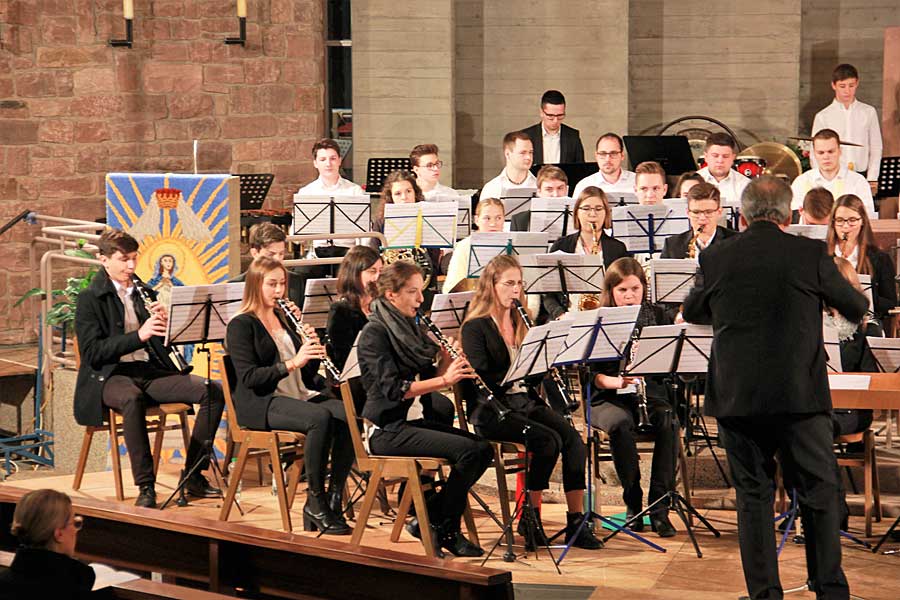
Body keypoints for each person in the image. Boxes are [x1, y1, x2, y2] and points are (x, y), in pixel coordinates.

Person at [683, 175, 867, 599]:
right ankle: (829, 589)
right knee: (819, 492)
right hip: (799, 396)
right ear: (787, 215)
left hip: (738, 397)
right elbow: (855, 304)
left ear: (743, 216)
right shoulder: (809, 253)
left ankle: (765, 594)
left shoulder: (717, 256)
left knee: (753, 496)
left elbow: (693, 310)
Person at [460, 254, 602, 550]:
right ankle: (530, 516)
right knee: (547, 441)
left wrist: (543, 362)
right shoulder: (476, 327)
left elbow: (530, 379)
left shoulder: (522, 321)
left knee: (573, 441)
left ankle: (576, 522)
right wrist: (519, 367)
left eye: (520, 284)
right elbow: (480, 376)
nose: (516, 290)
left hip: (524, 402)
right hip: (492, 409)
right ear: (491, 285)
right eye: (509, 283)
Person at [74, 229, 224, 509]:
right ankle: (146, 486)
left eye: (134, 258)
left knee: (212, 390)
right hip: (110, 376)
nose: (131, 266)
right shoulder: (90, 298)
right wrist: (139, 335)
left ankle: (193, 474)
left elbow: (157, 344)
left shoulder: (144, 292)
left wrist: (166, 327)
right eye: (123, 259)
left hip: (147, 370)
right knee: (132, 398)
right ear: (104, 260)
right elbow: (93, 352)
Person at [357, 260, 494, 557]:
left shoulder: (409, 328)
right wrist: (445, 379)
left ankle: (430, 519)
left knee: (482, 448)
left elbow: (428, 376)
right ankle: (445, 527)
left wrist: (447, 360)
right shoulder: (374, 333)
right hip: (387, 429)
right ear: (391, 295)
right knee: (469, 452)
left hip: (412, 422)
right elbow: (394, 390)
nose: (421, 299)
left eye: (421, 291)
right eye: (413, 292)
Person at [225, 257, 354, 535]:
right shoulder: (241, 324)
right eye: (271, 284)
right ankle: (315, 501)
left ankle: (334, 496)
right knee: (319, 418)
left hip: (297, 394)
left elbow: (306, 375)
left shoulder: (285, 319)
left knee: (347, 414)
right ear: (255, 285)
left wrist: (311, 348)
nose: (279, 290)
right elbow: (249, 378)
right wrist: (293, 362)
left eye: (282, 284)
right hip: (262, 401)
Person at [587, 257, 678, 538]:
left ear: (644, 289)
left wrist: (651, 364)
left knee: (669, 420)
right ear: (611, 291)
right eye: (622, 290)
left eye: (635, 289)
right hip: (606, 397)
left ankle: (660, 507)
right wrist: (617, 380)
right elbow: (591, 375)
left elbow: (669, 365)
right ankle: (633, 501)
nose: (629, 296)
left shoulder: (657, 316)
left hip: (646, 393)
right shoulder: (598, 320)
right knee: (619, 424)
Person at [0, 490, 108, 600]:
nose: (76, 530)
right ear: (59, 534)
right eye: (75, 523)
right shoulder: (75, 588)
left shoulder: (4, 583)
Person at [542, 187, 628, 320]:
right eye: (586, 208)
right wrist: (560, 314)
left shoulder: (618, 248)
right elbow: (548, 294)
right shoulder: (561, 246)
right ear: (577, 213)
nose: (592, 214)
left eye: (598, 209)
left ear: (606, 213)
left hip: (606, 316)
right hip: (568, 316)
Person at [372, 170, 443, 297]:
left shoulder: (427, 220)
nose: (404, 197)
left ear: (415, 193)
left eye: (408, 191)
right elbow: (374, 255)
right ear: (391, 198)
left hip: (423, 286)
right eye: (398, 193)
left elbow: (433, 260)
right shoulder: (381, 223)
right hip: (393, 286)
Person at [826, 193, 896, 320]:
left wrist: (863, 295)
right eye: (840, 220)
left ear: (862, 221)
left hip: (866, 321)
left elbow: (890, 302)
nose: (845, 226)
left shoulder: (880, 258)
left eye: (852, 220)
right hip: (829, 321)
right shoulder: (822, 255)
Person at [812, 64, 883, 182]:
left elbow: (876, 147)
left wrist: (872, 178)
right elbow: (815, 151)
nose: (847, 91)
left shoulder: (868, 112)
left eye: (851, 85)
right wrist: (822, 180)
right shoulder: (823, 116)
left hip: (862, 175)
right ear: (833, 85)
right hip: (833, 176)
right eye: (842, 86)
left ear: (857, 83)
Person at [792, 129, 876, 218]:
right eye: (821, 153)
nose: (826, 157)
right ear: (814, 154)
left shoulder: (858, 181)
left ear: (840, 151)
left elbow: (868, 215)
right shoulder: (801, 181)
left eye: (831, 152)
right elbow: (796, 215)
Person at [443, 198, 505, 293]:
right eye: (487, 218)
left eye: (498, 218)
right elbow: (452, 285)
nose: (493, 224)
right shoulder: (464, 246)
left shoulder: (511, 243)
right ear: (476, 220)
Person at [661, 183, 738, 259]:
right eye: (696, 212)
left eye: (708, 212)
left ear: (719, 212)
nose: (702, 218)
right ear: (688, 213)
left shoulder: (736, 242)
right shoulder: (672, 245)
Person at [521, 90, 584, 166]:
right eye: (550, 116)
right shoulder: (526, 136)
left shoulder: (573, 136)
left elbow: (580, 167)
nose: (555, 121)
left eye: (560, 115)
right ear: (541, 112)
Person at [572, 133, 636, 199]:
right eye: (602, 153)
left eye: (613, 153)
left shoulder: (637, 181)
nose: (607, 159)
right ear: (596, 156)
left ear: (622, 155)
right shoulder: (584, 185)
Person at [696, 133, 750, 207]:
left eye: (725, 156)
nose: (720, 160)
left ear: (733, 158)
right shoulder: (693, 181)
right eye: (715, 156)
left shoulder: (745, 185)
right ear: (706, 157)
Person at [479, 131, 537, 200]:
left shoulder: (539, 186)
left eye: (530, 152)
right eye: (523, 153)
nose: (528, 157)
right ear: (507, 154)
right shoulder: (492, 189)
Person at [296, 138, 363, 197]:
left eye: (333, 159)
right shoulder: (305, 193)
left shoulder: (355, 191)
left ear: (339, 161)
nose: (328, 164)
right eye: (323, 160)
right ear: (315, 163)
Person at [510, 165, 569, 232]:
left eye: (560, 188)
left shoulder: (576, 217)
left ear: (566, 190)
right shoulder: (519, 221)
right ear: (539, 192)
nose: (555, 195)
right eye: (549, 189)